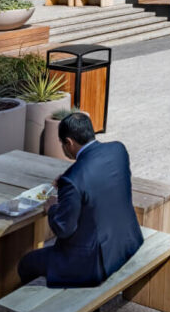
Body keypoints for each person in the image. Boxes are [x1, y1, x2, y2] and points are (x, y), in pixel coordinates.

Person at [18, 112, 144, 287]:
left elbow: (64, 228)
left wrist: (53, 208)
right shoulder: (118, 149)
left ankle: (37, 309)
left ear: (69, 143)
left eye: (62, 143)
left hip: (95, 264)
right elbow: (99, 177)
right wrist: (68, 181)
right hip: (128, 242)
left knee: (26, 263)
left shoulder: (73, 179)